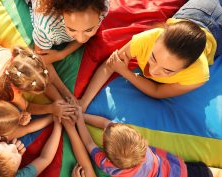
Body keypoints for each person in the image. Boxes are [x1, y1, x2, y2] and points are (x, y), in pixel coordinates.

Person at [80, 0, 222, 109]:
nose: (153, 71)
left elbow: (157, 91)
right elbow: (110, 65)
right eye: (153, 57)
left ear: (188, 67)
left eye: (168, 70)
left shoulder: (198, 74)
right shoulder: (148, 38)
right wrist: (83, 103)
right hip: (195, 11)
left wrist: (126, 72)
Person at [76, 110, 222, 177]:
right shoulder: (141, 147)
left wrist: (80, 118)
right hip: (183, 176)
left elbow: (89, 143)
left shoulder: (109, 166)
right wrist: (83, 115)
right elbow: (106, 124)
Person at [26, 0, 109, 102]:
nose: (81, 39)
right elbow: (41, 60)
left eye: (88, 30)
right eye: (72, 30)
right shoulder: (46, 27)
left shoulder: (103, 7)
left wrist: (62, 54)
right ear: (61, 13)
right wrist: (68, 95)